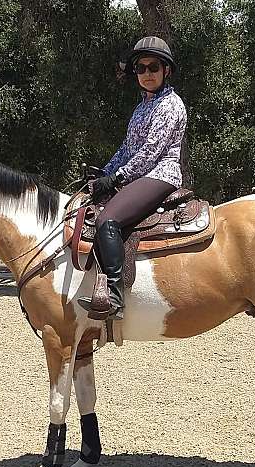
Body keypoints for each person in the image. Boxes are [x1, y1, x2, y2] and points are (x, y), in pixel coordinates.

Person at [78, 36, 187, 320]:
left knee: (107, 220)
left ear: (167, 71)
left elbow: (151, 151)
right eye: (141, 68)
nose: (147, 74)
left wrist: (116, 179)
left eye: (153, 67)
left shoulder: (170, 104)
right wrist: (104, 173)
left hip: (161, 174)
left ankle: (114, 297)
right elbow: (127, 149)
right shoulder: (141, 108)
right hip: (141, 174)